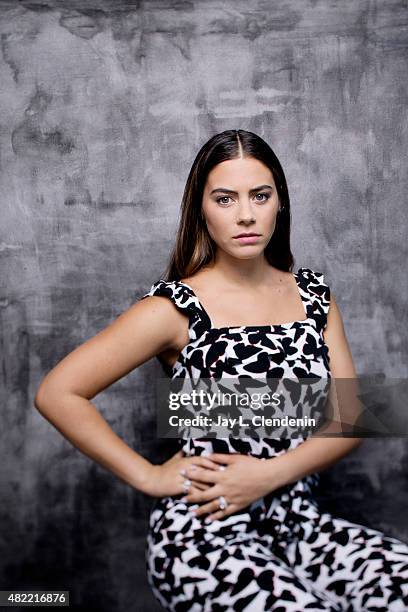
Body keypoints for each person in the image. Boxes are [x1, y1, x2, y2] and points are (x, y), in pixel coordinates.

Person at [34, 129, 408, 611]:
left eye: (260, 195)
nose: (246, 214)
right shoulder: (174, 308)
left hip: (300, 525)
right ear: (202, 209)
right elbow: (58, 392)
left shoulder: (315, 297)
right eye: (225, 199)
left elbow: (349, 418)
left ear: (280, 204)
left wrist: (268, 475)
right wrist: (148, 477)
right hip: (206, 533)